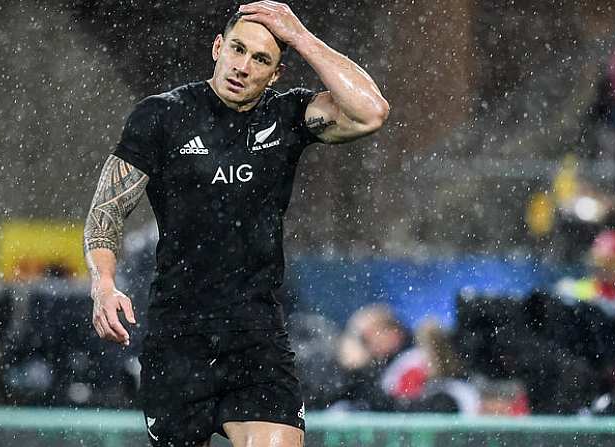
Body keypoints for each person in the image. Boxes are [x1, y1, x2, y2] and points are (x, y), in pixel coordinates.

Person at [83, 2, 389, 446]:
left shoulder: (287, 117)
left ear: (277, 73)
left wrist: (301, 37)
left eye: (261, 58)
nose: (244, 66)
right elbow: (106, 211)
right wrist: (104, 285)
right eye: (238, 50)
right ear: (217, 48)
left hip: (256, 339)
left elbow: (371, 112)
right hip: (178, 339)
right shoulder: (162, 116)